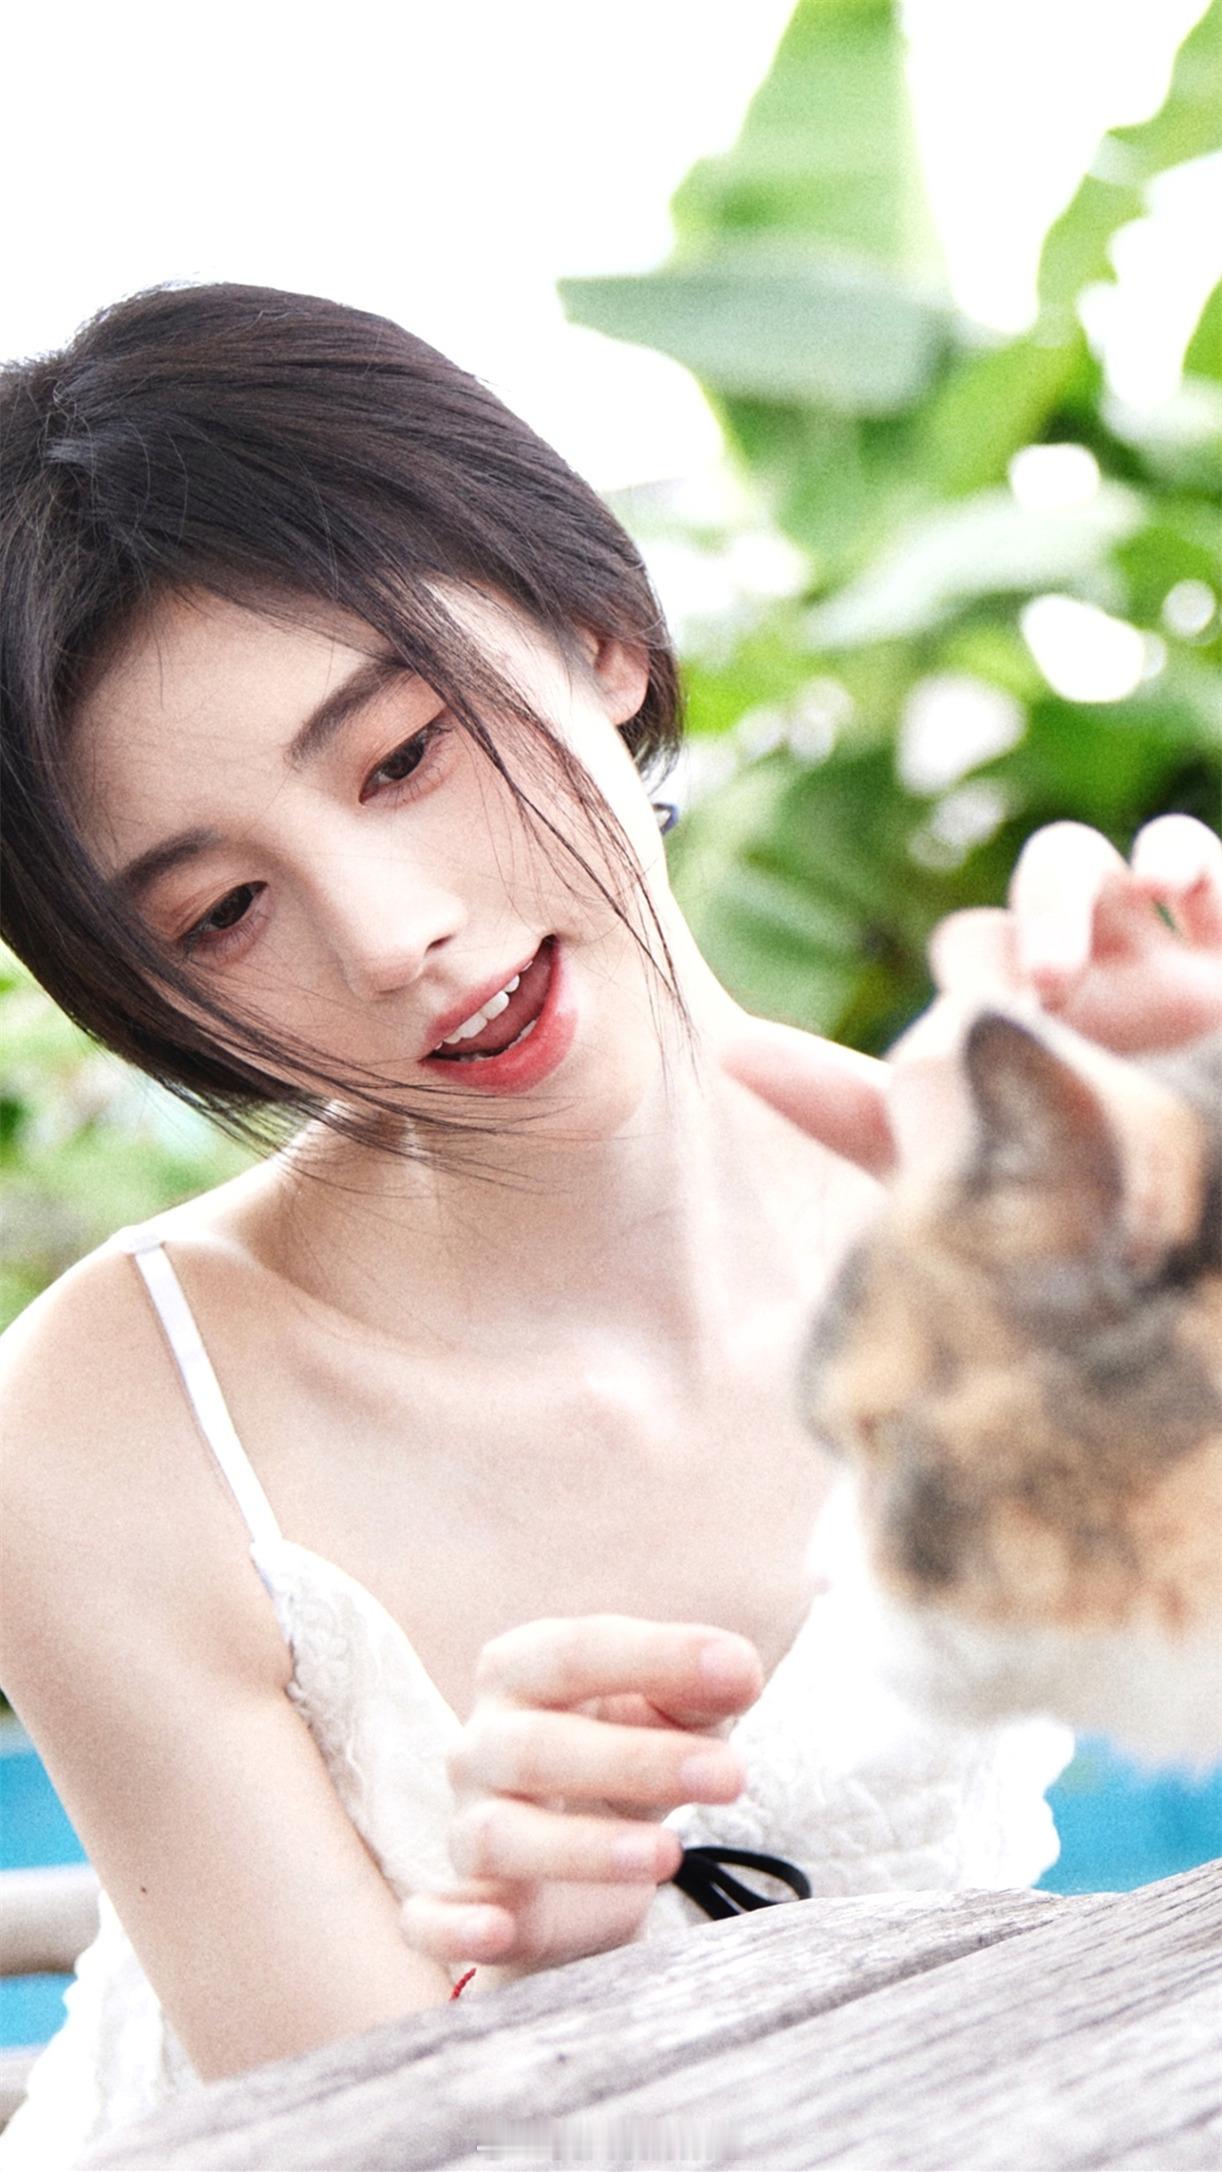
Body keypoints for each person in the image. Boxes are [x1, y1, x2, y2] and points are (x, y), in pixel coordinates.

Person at [0, 281, 1218, 2166]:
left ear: (599, 634)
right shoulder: (114, 1419)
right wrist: (529, 1981)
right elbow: (357, 2147)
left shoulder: (1004, 1195)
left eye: (401, 755)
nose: (390, 934)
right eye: (221, 915)